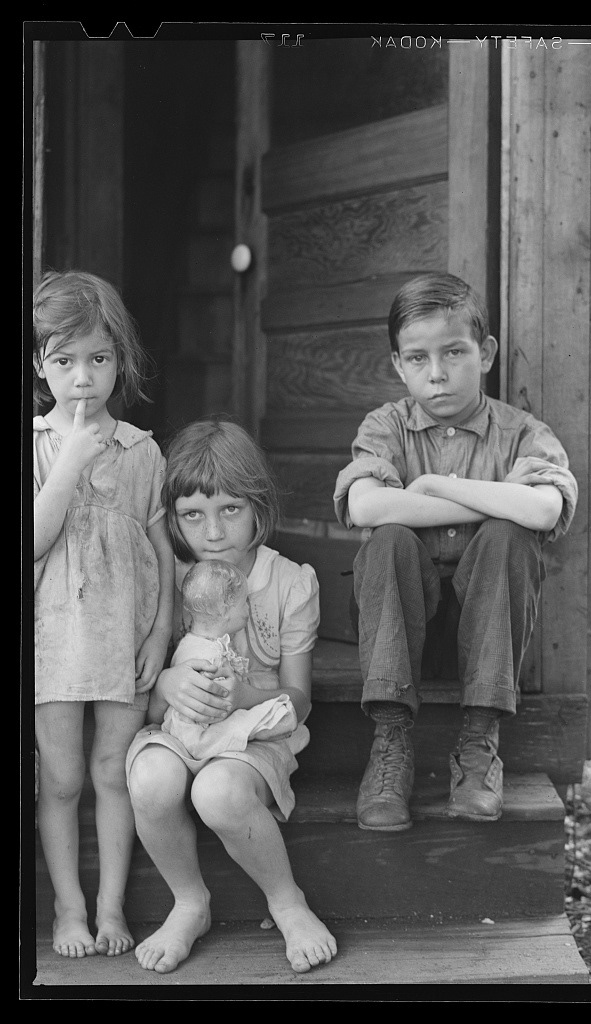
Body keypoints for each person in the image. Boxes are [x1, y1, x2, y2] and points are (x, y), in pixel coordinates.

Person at [333, 271, 579, 832]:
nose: (437, 373)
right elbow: (369, 508)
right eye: (417, 359)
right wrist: (498, 497)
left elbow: (542, 513)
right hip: (398, 637)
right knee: (390, 540)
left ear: (486, 352)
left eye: (454, 352)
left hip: (487, 639)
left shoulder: (522, 434)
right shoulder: (386, 427)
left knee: (511, 536)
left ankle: (478, 744)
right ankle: (391, 742)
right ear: (398, 365)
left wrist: (432, 488)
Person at [125, 417, 337, 975]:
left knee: (217, 793)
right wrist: (169, 682)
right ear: (173, 519)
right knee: (150, 781)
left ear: (258, 506)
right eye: (193, 515)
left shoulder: (290, 583)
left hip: (251, 738)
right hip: (179, 729)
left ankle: (287, 901)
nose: (213, 532)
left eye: (230, 510)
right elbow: (146, 689)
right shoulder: (168, 576)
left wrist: (244, 694)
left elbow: (299, 700)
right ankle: (189, 902)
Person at [33, 270, 174, 958]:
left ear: (121, 359)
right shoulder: (36, 446)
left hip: (124, 634)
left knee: (112, 770)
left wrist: (161, 630)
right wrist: (70, 462)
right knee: (60, 777)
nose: (83, 377)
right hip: (51, 640)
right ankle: (68, 909)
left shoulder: (142, 450)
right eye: (64, 361)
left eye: (99, 358)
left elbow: (160, 549)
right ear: (40, 365)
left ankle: (113, 907)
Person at [162, 559, 298, 760]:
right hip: (198, 732)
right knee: (277, 715)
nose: (248, 608)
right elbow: (217, 703)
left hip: (199, 724)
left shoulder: (194, 643)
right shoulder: (210, 657)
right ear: (225, 610)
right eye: (244, 602)